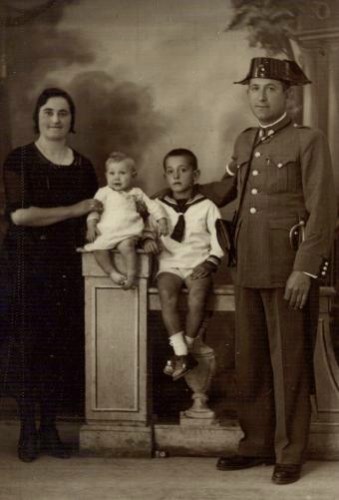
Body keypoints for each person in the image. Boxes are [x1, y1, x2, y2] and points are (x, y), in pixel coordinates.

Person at [199, 58, 337, 485]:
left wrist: (306, 270)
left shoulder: (308, 141)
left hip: (287, 270)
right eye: (255, 88)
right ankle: (255, 444)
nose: (261, 96)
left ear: (289, 97)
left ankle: (289, 452)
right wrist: (156, 201)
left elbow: (323, 212)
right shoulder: (245, 142)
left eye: (270, 89)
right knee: (251, 361)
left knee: (289, 363)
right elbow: (225, 193)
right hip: (247, 267)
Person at [0, 88, 101, 462]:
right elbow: (21, 215)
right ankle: (27, 431)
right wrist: (77, 209)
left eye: (63, 114)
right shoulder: (20, 158)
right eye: (48, 113)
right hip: (25, 265)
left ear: (72, 120)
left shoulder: (84, 165)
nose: (56, 120)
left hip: (66, 266)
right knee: (28, 348)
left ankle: (50, 430)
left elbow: (96, 211)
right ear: (37, 117)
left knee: (59, 350)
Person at [143, 148, 224, 381]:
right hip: (170, 263)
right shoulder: (158, 206)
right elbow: (148, 230)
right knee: (166, 293)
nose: (176, 176)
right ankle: (182, 352)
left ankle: (183, 351)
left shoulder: (207, 206)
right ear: (165, 177)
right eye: (170, 172)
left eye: (183, 170)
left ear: (195, 175)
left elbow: (220, 240)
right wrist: (148, 240)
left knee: (198, 294)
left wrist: (209, 263)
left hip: (198, 262)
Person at [84, 151, 168, 289]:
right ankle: (112, 272)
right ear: (106, 175)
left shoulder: (136, 192)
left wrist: (162, 219)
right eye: (112, 173)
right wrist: (91, 226)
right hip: (107, 232)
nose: (116, 178)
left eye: (122, 173)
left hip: (128, 231)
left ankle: (131, 275)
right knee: (98, 249)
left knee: (127, 247)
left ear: (133, 175)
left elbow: (152, 206)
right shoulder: (103, 192)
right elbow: (94, 210)